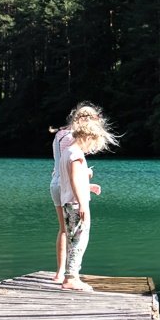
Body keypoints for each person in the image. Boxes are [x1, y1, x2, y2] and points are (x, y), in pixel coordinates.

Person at [59, 105, 117, 291]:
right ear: (87, 137)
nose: (92, 147)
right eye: (92, 143)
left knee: (72, 238)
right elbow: (75, 179)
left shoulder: (66, 152)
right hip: (76, 204)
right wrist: (83, 202)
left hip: (67, 202)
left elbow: (69, 180)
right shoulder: (76, 155)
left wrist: (88, 187)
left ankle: (71, 275)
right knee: (79, 239)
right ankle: (71, 278)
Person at [49, 103, 103, 283]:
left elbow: (61, 164)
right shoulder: (74, 138)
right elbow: (72, 168)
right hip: (67, 185)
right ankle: (70, 275)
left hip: (56, 182)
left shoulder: (59, 134)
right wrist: (85, 176)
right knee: (77, 230)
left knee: (64, 229)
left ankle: (60, 272)